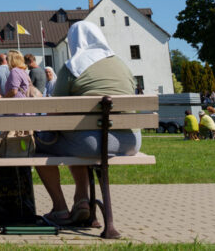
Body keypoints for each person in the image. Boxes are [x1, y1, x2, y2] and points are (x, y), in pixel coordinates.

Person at [34, 21, 141, 227]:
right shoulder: (122, 65)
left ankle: (61, 208)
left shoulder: (72, 66)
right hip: (131, 142)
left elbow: (55, 111)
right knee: (76, 138)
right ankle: (81, 201)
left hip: (91, 143)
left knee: (39, 148)